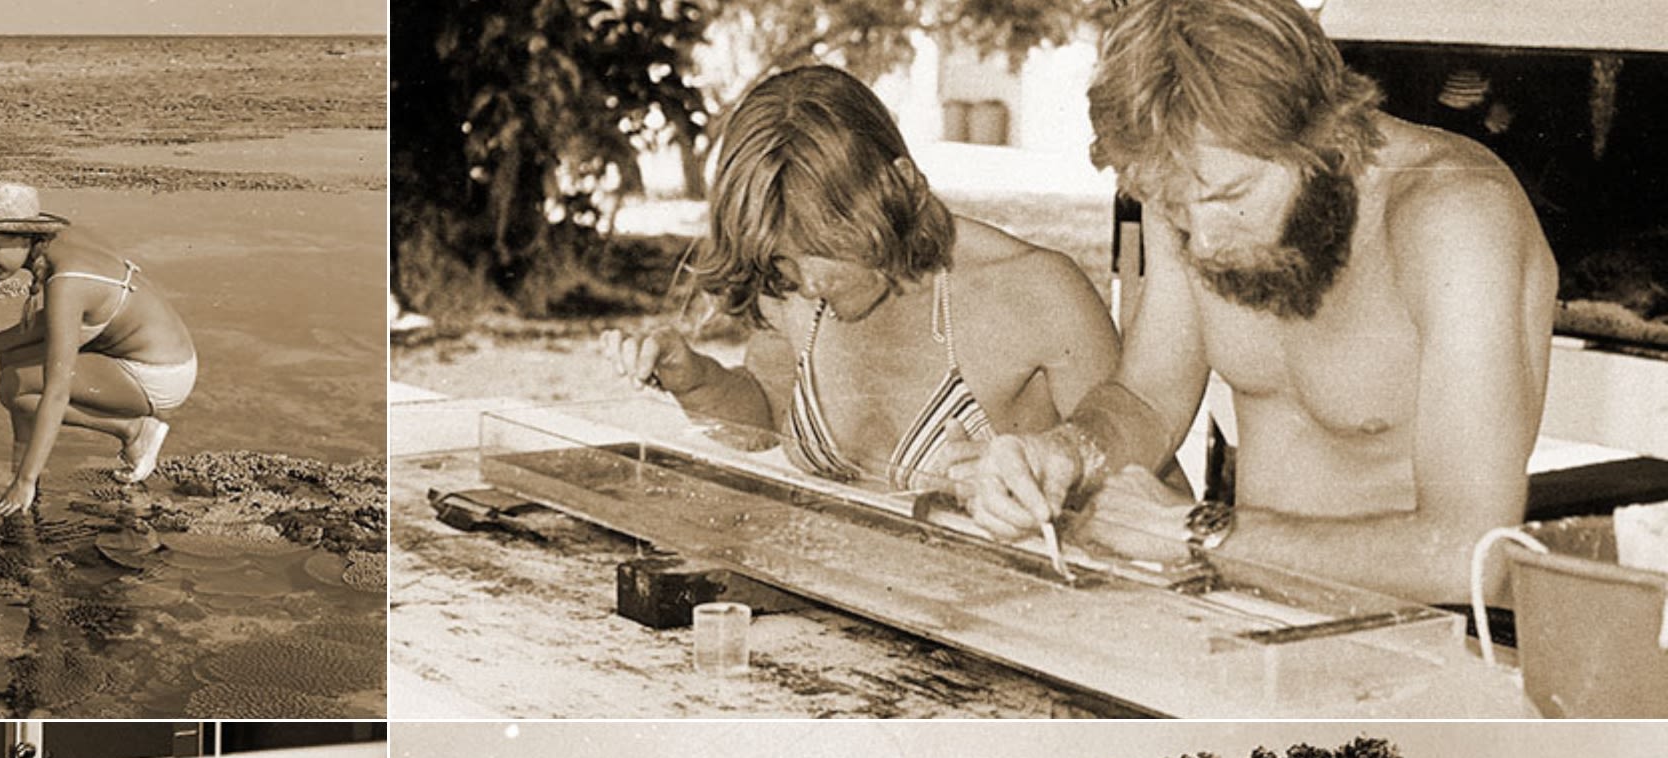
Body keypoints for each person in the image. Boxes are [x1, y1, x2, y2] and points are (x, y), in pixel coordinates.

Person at [950, 0, 1558, 606]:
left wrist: (1195, 533)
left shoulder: (1455, 219)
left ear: (1323, 136)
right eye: (1177, 211)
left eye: (1231, 196)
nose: (1206, 243)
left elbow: (1468, 554)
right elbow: (1148, 399)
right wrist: (1063, 452)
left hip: (1427, 640)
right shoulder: (1193, 187)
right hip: (1258, 616)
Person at [605, 64, 1119, 494]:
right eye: (782, 260)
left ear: (900, 186)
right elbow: (765, 412)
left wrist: (1045, 491)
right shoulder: (786, 283)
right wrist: (697, 381)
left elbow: (1145, 500)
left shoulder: (1037, 292)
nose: (804, 285)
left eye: (824, 251)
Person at [0, 180, 199, 515]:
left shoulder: (66, 282)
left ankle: (134, 429)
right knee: (12, 360)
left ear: (23, 237)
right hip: (150, 354)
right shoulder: (59, 244)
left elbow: (57, 390)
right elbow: (65, 321)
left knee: (14, 386)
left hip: (157, 376)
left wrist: (25, 482)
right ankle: (20, 467)